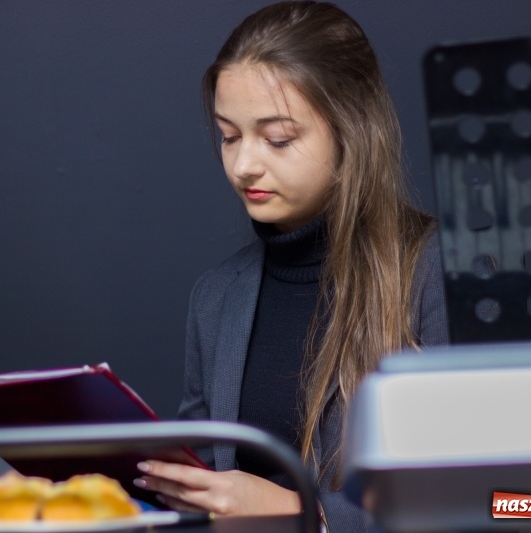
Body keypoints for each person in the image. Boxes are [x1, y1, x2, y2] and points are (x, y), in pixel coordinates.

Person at [133, 1, 448, 531]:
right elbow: (204, 490)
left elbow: (496, 498)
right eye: (229, 136)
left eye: (277, 138)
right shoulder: (216, 298)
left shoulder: (438, 273)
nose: (242, 165)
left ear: (352, 129)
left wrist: (310, 515)